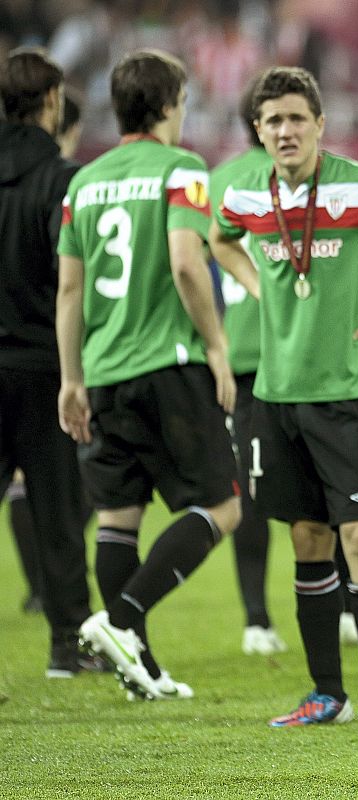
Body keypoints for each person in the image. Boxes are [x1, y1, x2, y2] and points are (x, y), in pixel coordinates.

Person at [210, 66, 358, 729]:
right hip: (277, 396)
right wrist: (256, 287)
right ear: (258, 131)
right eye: (272, 121)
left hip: (351, 397)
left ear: (320, 123)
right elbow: (221, 240)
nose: (285, 131)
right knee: (309, 539)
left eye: (296, 118)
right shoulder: (249, 196)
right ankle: (326, 694)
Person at [56, 49, 242, 701]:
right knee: (222, 503)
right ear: (167, 105)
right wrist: (217, 347)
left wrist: (71, 378)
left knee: (118, 515)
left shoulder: (84, 182)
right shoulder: (183, 169)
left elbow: (71, 289)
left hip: (101, 371)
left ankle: (140, 668)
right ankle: (124, 618)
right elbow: (188, 264)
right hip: (168, 363)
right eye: (183, 101)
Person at [0, 46, 100, 678]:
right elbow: (73, 285)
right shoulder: (65, 181)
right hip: (42, 366)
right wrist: (76, 375)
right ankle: (68, 644)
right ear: (53, 101)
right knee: (59, 512)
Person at [210, 78, 287, 657]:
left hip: (243, 358)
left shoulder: (217, 181)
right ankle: (334, 610)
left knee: (253, 493)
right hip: (289, 357)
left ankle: (256, 618)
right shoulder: (318, 177)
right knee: (332, 492)